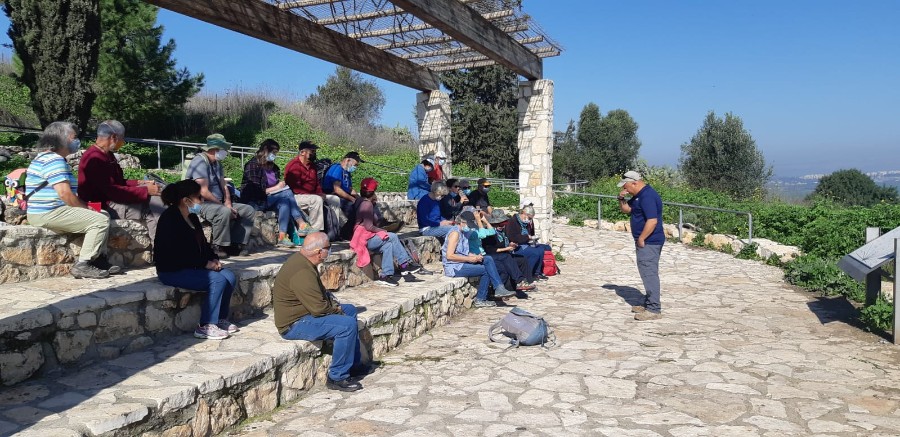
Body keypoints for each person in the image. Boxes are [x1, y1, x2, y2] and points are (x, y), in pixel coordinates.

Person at [273, 232, 373, 392]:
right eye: (328, 248)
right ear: (319, 252)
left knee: (351, 311)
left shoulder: (305, 263)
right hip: (294, 324)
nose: (330, 251)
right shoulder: (302, 272)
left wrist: (337, 307)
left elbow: (321, 296)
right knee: (346, 325)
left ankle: (353, 365)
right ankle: (337, 376)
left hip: (306, 313)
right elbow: (319, 309)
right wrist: (336, 309)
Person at [25, 122, 117, 279]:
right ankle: (83, 264)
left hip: (49, 210)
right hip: (48, 212)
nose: (76, 141)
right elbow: (65, 194)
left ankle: (98, 259)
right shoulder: (54, 160)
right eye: (74, 137)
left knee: (103, 214)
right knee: (99, 220)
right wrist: (86, 208)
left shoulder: (48, 158)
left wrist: (88, 207)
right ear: (61, 139)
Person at [154, 180, 238, 340]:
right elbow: (173, 254)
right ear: (186, 200)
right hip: (172, 270)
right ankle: (206, 325)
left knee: (229, 276)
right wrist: (204, 264)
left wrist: (213, 259)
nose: (202, 200)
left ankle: (220, 319)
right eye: (199, 197)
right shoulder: (169, 220)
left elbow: (203, 245)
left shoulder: (192, 217)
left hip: (192, 266)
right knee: (217, 280)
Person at [77, 120, 165, 241]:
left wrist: (141, 183)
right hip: (100, 205)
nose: (123, 142)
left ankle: (163, 250)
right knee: (153, 206)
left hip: (111, 199)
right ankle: (164, 252)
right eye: (122, 139)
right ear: (113, 137)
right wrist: (146, 191)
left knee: (158, 196)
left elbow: (118, 182)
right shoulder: (94, 158)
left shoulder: (107, 155)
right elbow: (112, 191)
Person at [184, 134, 256, 258]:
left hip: (219, 202)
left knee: (248, 210)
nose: (225, 152)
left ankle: (236, 243)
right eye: (223, 149)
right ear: (214, 149)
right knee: (223, 212)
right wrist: (223, 205)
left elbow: (224, 185)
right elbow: (203, 191)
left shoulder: (217, 164)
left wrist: (228, 201)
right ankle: (218, 246)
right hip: (202, 203)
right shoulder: (200, 161)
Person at [350, 177, 427, 287]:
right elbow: (368, 226)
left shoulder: (361, 201)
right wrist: (383, 230)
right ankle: (405, 265)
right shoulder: (367, 205)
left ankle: (385, 275)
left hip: (363, 237)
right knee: (393, 236)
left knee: (388, 246)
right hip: (364, 239)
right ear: (373, 192)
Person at [240, 139, 314, 247]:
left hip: (269, 198)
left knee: (284, 202)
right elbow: (255, 190)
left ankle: (282, 236)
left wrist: (279, 187)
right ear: (265, 150)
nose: (274, 156)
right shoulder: (252, 166)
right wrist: (276, 188)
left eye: (276, 153)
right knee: (287, 193)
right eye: (273, 153)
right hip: (255, 201)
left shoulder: (274, 168)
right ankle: (301, 224)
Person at [617, 170, 665, 321]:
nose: (625, 189)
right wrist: (621, 198)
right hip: (646, 241)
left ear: (634, 183)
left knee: (649, 273)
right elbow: (627, 210)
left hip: (649, 242)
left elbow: (652, 221)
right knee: (646, 272)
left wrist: (642, 238)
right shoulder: (638, 196)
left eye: (626, 186)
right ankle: (648, 302)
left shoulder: (648, 196)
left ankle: (654, 309)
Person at [442, 212, 515, 307]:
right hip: (454, 267)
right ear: (461, 222)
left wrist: (473, 256)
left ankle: (499, 288)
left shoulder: (463, 233)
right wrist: (469, 259)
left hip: (461, 262)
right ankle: (481, 299)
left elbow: (461, 251)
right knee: (486, 270)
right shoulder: (455, 234)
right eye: (468, 224)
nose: (469, 227)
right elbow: (450, 256)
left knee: (488, 259)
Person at [482, 209, 536, 293]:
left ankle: (528, 282)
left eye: (503, 223)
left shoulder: (502, 232)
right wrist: (506, 249)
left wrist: (510, 245)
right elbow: (490, 250)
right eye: (499, 224)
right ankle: (520, 281)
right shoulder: (489, 233)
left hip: (503, 255)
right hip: (492, 256)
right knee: (506, 257)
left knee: (522, 259)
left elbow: (504, 244)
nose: (502, 226)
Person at [284, 141, 325, 230]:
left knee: (334, 200)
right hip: (295, 197)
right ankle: (315, 231)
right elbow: (295, 188)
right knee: (316, 200)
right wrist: (315, 195)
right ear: (302, 152)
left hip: (310, 195)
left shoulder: (312, 166)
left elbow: (316, 183)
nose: (314, 154)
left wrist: (321, 193)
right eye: (312, 151)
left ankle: (337, 231)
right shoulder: (294, 166)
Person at [505, 204, 553, 281]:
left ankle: (536, 273)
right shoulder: (512, 221)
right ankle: (527, 274)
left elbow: (530, 234)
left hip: (526, 243)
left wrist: (532, 239)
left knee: (541, 249)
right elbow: (512, 237)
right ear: (524, 214)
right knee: (534, 253)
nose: (529, 220)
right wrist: (527, 237)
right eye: (529, 218)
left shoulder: (526, 223)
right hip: (516, 246)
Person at [322, 151, 362, 234]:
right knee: (352, 208)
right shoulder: (337, 169)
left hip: (342, 195)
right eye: (355, 165)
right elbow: (337, 189)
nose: (355, 167)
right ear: (348, 160)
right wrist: (352, 199)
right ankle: (347, 233)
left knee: (361, 205)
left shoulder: (347, 172)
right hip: (332, 195)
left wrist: (360, 198)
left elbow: (350, 189)